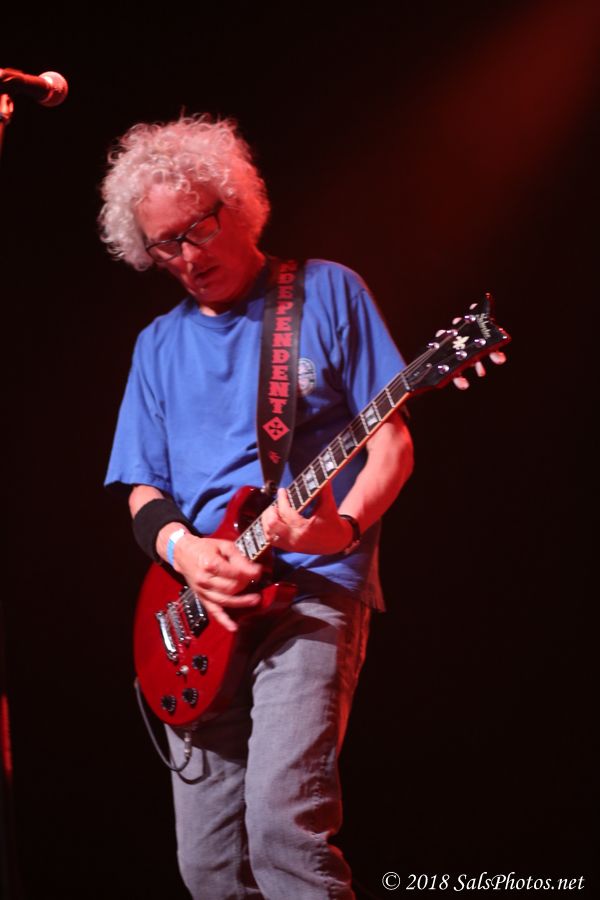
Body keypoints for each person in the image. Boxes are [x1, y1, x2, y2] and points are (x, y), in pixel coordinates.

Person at [100, 114, 414, 900]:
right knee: (208, 868)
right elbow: (143, 491)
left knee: (283, 833)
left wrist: (342, 524)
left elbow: (391, 442)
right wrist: (185, 552)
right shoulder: (156, 345)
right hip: (196, 609)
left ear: (237, 205)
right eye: (163, 246)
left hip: (309, 586)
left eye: (197, 229)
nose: (186, 257)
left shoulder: (327, 292)